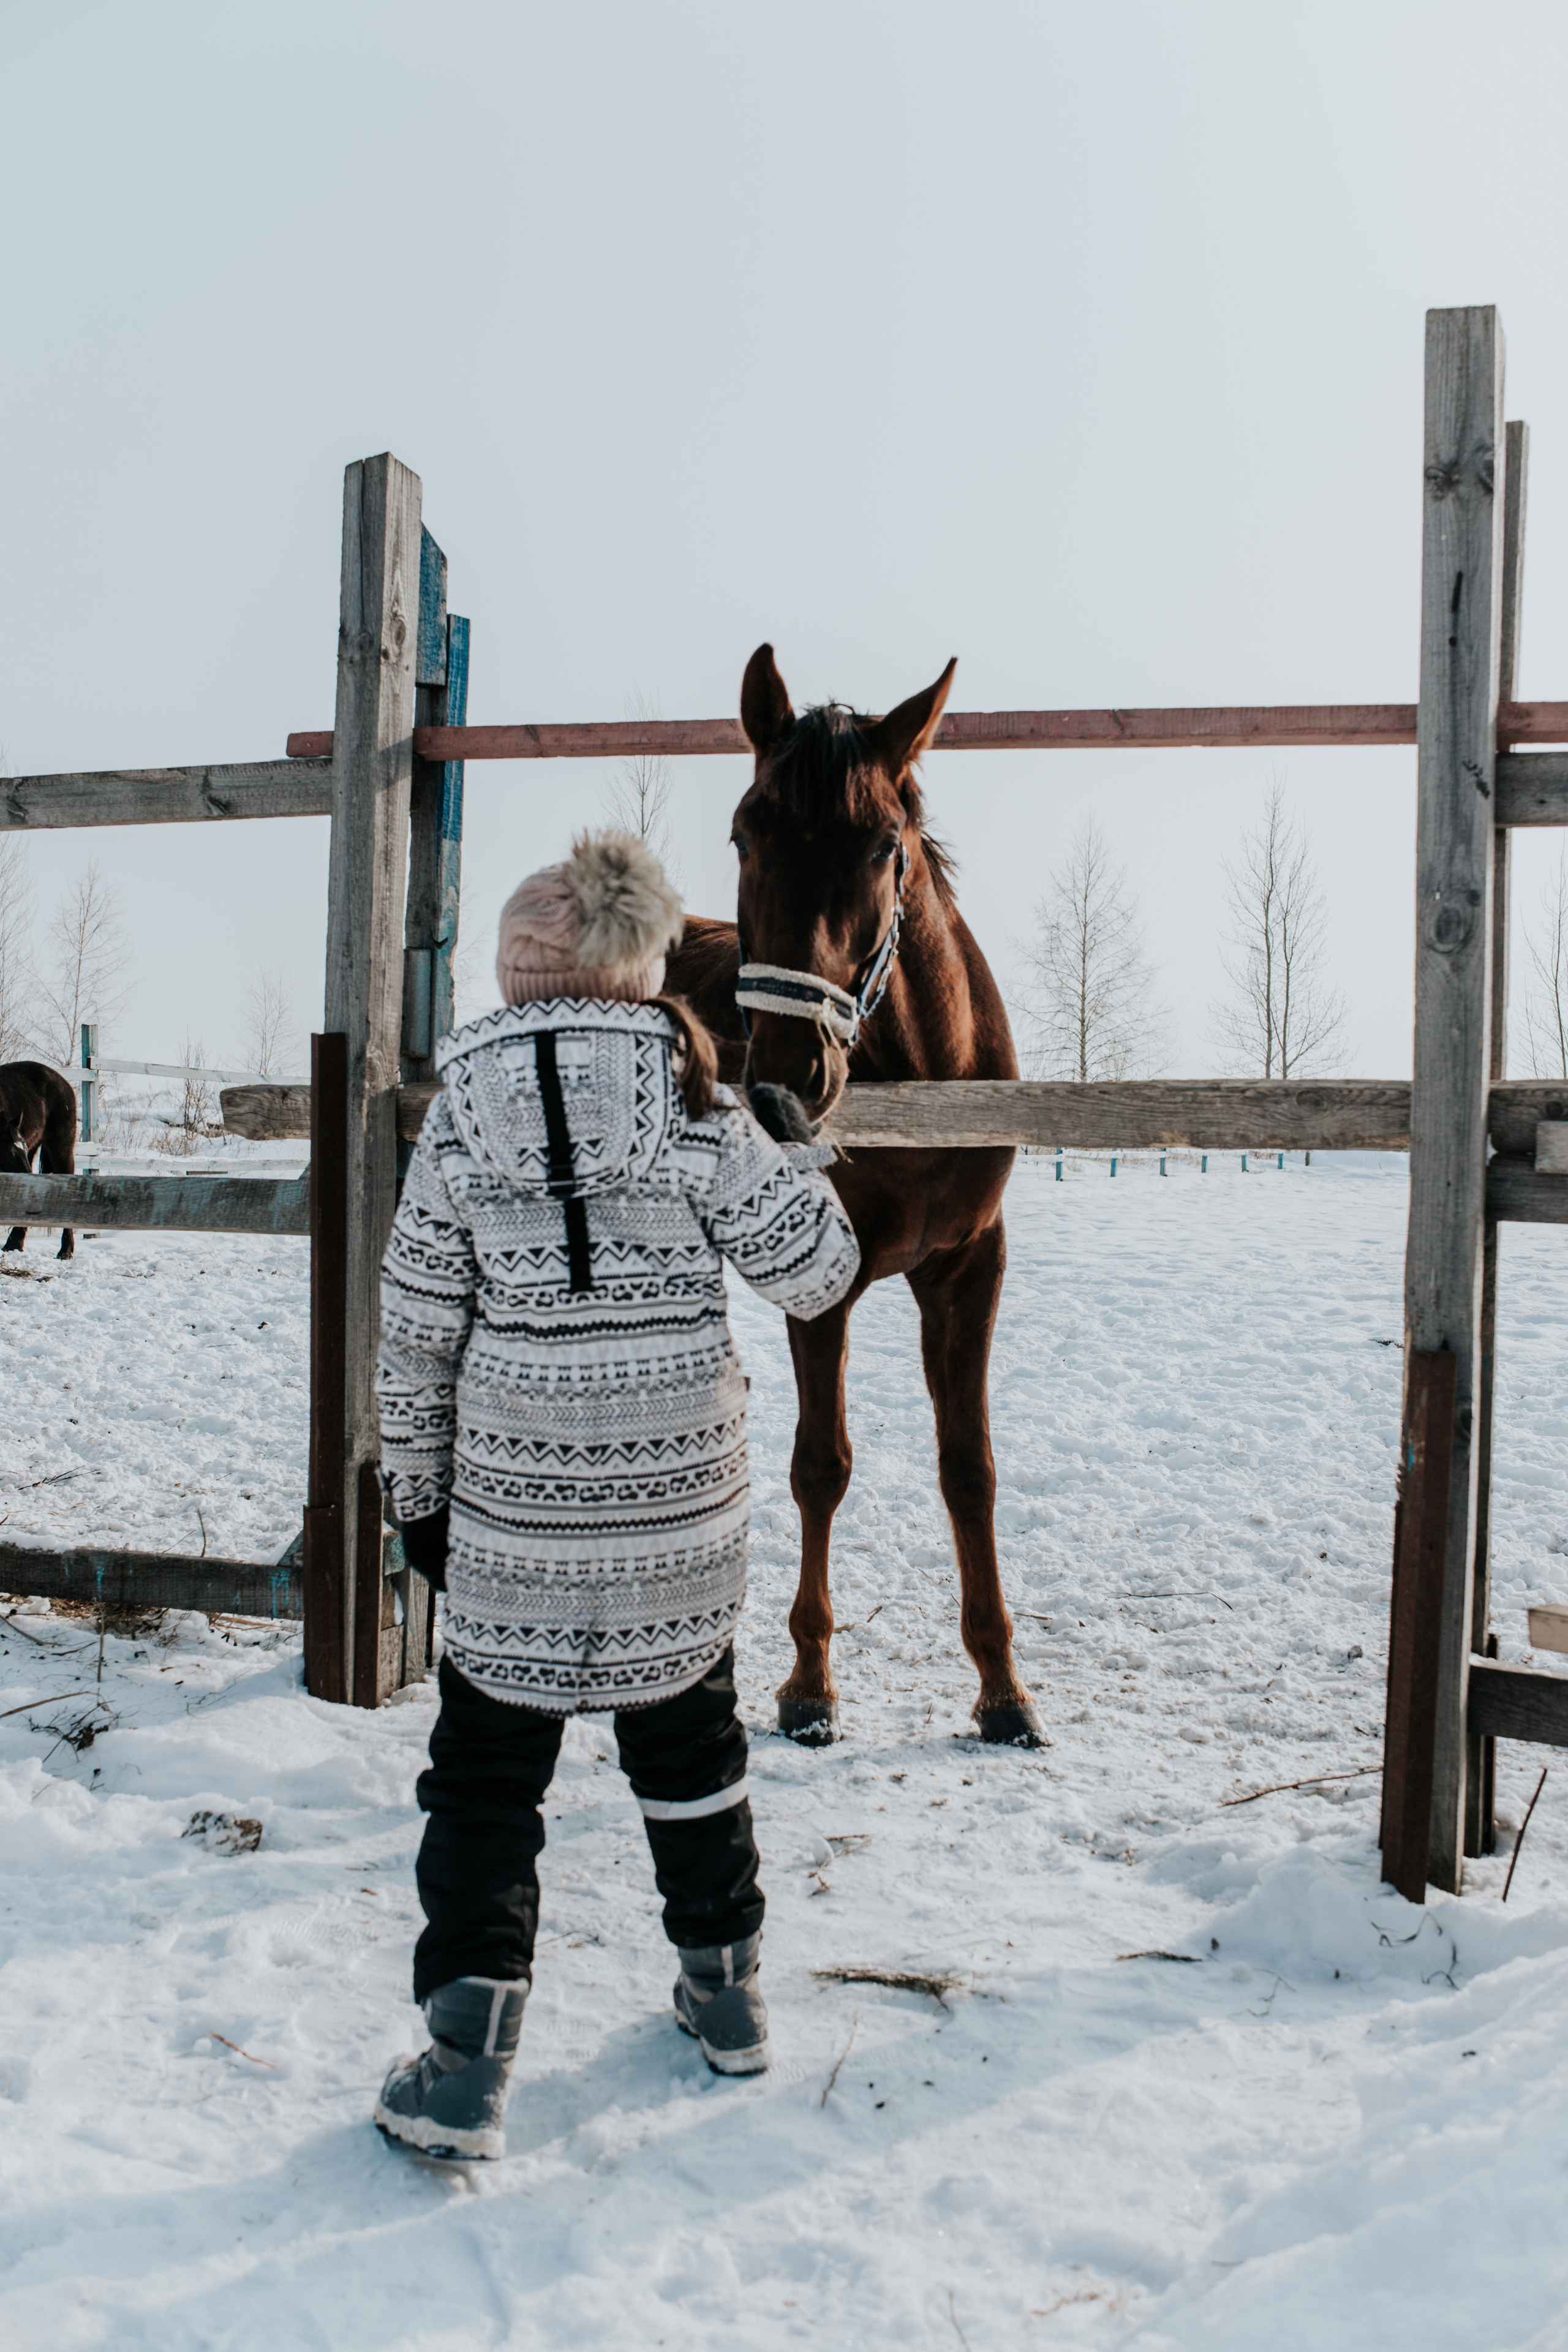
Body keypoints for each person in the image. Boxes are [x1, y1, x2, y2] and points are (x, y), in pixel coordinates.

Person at [372, 830, 860, 2160]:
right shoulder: (699, 1106)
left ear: (513, 974)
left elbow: (415, 1332)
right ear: (644, 967)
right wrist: (795, 1153)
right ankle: (728, 2000)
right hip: (678, 1518)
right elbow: (818, 1275)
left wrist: (419, 1498)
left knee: (485, 1782)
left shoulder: (458, 1118)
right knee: (692, 1754)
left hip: (513, 1515)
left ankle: (464, 2066)